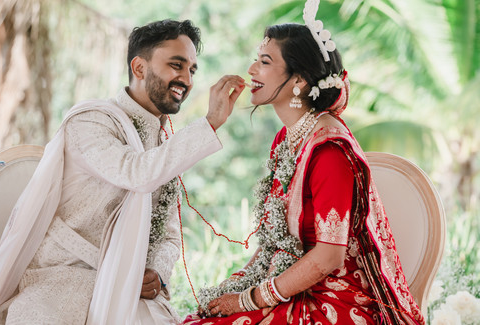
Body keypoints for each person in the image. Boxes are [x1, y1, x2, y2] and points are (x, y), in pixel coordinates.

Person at [182, 1, 425, 324]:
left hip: (333, 299)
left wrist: (248, 299)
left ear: (298, 80)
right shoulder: (287, 138)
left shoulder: (329, 152)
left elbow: (329, 256)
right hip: (292, 284)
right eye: (256, 60)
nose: (252, 69)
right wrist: (242, 287)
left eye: (264, 62)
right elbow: (277, 237)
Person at [0, 19, 245, 324]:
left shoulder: (162, 142)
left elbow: (168, 234)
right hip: (61, 281)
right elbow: (137, 173)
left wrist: (157, 274)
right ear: (139, 68)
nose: (186, 79)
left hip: (131, 291)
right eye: (176, 65)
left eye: (192, 70)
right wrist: (210, 124)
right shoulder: (91, 121)